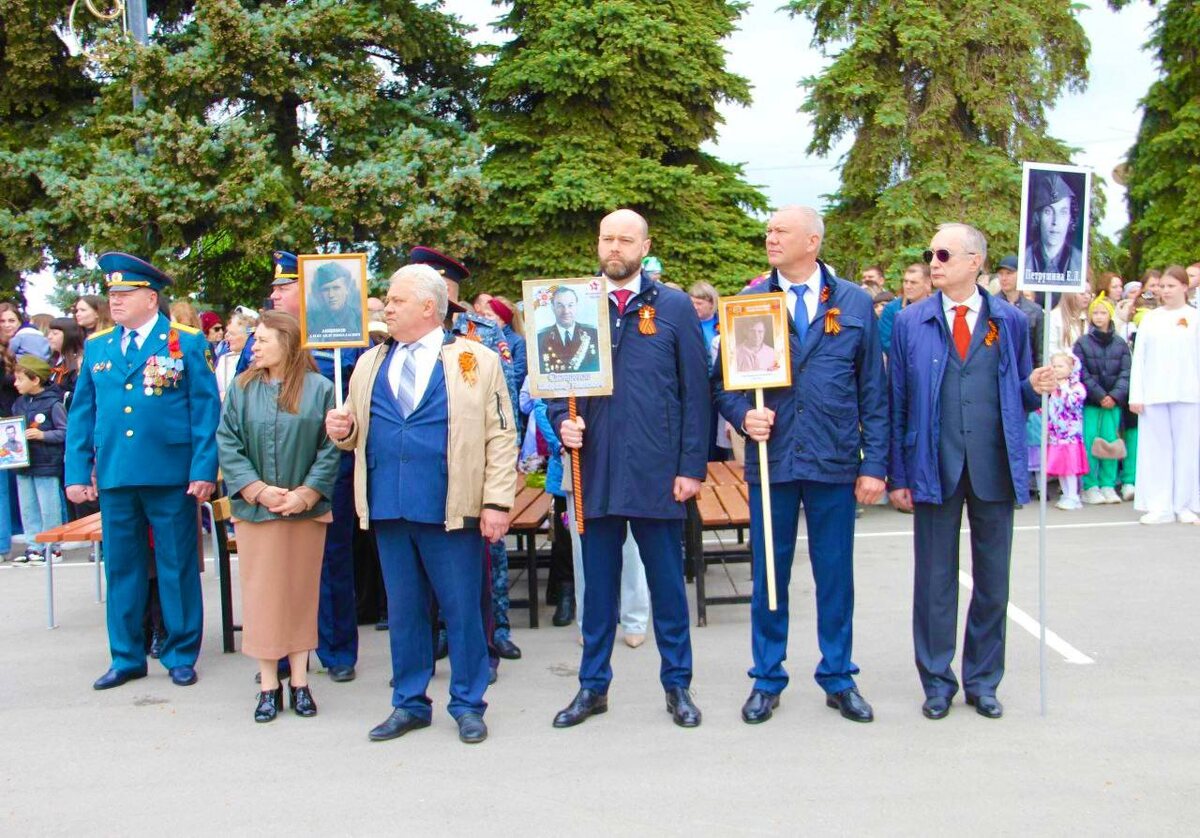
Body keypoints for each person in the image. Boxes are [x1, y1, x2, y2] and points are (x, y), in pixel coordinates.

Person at [325, 263, 518, 745]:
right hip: (389, 506)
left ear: (429, 307)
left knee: (462, 610)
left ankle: (468, 703)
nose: (387, 308)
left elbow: (501, 435)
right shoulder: (369, 363)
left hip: (450, 506)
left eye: (397, 300)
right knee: (405, 612)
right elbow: (353, 429)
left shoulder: (476, 360)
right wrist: (342, 431)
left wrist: (497, 502)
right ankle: (409, 702)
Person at [714, 205, 887, 725]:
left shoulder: (854, 302)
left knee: (835, 573)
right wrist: (744, 416)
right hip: (775, 460)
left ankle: (838, 676)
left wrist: (875, 464)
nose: (770, 237)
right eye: (768, 230)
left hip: (834, 458)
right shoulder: (750, 302)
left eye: (781, 231)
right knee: (770, 573)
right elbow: (721, 385)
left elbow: (873, 391)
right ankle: (767, 677)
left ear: (812, 241)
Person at [548, 208, 708, 730]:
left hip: (657, 472)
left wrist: (691, 467)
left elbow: (696, 393)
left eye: (624, 239)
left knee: (667, 587)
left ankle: (678, 686)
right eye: (606, 238)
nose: (614, 247)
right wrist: (562, 422)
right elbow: (555, 386)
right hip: (593, 469)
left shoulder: (674, 306)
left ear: (644, 246)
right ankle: (592, 687)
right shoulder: (573, 304)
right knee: (598, 590)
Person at [888, 223, 1055, 720]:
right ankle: (937, 681)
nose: (933, 263)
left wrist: (1035, 385)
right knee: (933, 581)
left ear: (974, 262)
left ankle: (983, 681)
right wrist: (898, 475)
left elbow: (1019, 395)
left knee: (993, 583)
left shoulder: (1010, 320)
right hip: (933, 465)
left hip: (993, 465)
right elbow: (898, 401)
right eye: (930, 255)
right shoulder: (910, 321)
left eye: (943, 254)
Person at [65, 253, 221, 690]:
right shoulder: (99, 346)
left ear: (151, 298)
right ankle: (126, 656)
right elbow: (83, 413)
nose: (115, 301)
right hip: (116, 471)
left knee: (176, 565)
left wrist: (203, 468)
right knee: (122, 568)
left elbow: (205, 410)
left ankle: (180, 653)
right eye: (111, 294)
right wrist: (77, 472)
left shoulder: (186, 342)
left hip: (170, 472)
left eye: (125, 293)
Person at [238, 250, 365, 683]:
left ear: (306, 291)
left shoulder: (342, 333)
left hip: (326, 468)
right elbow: (241, 403)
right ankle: (279, 653)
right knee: (274, 570)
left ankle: (336, 649)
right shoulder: (260, 341)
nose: (274, 294)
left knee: (330, 560)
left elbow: (356, 399)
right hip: (270, 472)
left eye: (284, 287)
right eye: (273, 288)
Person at [217, 311, 341, 723]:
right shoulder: (241, 388)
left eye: (263, 340)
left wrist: (307, 493)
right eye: (254, 340)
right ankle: (269, 685)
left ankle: (301, 682)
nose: (254, 347)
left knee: (300, 594)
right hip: (256, 511)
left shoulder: (320, 389)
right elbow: (227, 442)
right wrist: (257, 489)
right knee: (263, 597)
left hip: (305, 511)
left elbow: (331, 447)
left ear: (287, 343)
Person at [407, 246, 522, 667]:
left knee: (486, 557)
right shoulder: (404, 338)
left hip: (474, 468)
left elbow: (506, 404)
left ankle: (495, 632)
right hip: (428, 468)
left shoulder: (483, 331)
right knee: (428, 561)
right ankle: (440, 634)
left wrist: (501, 472)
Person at [1128, 266, 1200, 525]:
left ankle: (1184, 505)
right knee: (1156, 451)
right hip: (1154, 393)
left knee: (1186, 451)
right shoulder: (1151, 319)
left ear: (1184, 287)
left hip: (1188, 393)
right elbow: (1139, 358)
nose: (1166, 291)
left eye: (1171, 286)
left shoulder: (1194, 318)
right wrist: (1136, 394)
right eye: (1163, 286)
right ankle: (1160, 506)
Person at [1073, 293, 1131, 505]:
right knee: (1090, 442)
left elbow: (1126, 372)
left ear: (1110, 315)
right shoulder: (1082, 343)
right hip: (1092, 403)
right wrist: (1099, 395)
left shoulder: (1120, 343)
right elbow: (1081, 372)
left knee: (1111, 442)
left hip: (1113, 403)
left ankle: (1108, 483)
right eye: (1095, 313)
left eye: (1103, 312)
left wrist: (1115, 395)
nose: (1098, 316)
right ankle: (1090, 485)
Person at [11, 355, 67, 564]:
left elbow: (65, 432)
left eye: (20, 379)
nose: (15, 384)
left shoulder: (53, 403)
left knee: (49, 506)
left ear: (35, 380)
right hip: (23, 463)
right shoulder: (19, 403)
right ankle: (33, 546)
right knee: (28, 507)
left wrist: (43, 435)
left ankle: (53, 547)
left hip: (46, 463)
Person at [1024, 171, 1085, 283]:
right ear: (1038, 216)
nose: (1055, 221)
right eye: (1048, 211)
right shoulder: (1025, 260)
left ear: (1070, 218)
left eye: (1063, 212)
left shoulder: (1079, 262)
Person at [1045, 352, 1088, 510]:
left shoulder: (1077, 387)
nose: (1057, 369)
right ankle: (1066, 494)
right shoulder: (1053, 388)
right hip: (1056, 435)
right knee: (1061, 468)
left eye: (1061, 366)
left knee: (1070, 467)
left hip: (1070, 436)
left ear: (1071, 368)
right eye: (1054, 366)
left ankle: (1073, 496)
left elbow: (1072, 403)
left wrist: (1064, 388)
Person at [536, 286, 601, 374]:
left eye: (570, 305)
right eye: (560, 306)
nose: (566, 311)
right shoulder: (540, 338)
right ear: (553, 308)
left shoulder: (594, 334)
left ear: (576, 306)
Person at [994, 255, 1045, 366]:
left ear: (1020, 275)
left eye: (1009, 273)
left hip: (1024, 369)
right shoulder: (990, 305)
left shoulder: (1035, 310)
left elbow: (1039, 351)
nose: (1004, 278)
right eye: (1001, 274)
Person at [878, 263, 933, 359]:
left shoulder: (938, 307)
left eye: (913, 282)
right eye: (905, 281)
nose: (908, 286)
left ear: (927, 284)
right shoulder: (892, 309)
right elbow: (886, 342)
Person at [307, 262, 363, 338]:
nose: (331, 295)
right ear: (319, 293)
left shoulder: (359, 320)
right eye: (325, 289)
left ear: (347, 289)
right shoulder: (311, 321)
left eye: (336, 288)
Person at [215, 309, 256, 401]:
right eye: (227, 332)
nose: (226, 336)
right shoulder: (223, 359)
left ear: (248, 335)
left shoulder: (254, 360)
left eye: (232, 333)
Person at [47, 317, 85, 396]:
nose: (49, 337)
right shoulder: (52, 360)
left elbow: (79, 394)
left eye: (55, 333)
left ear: (69, 335)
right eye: (49, 333)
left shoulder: (78, 363)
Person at [1047, 290, 1090, 354]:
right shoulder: (1054, 317)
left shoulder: (1090, 317)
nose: (1087, 296)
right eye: (1082, 293)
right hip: (1060, 359)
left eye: (1089, 293)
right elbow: (1050, 349)